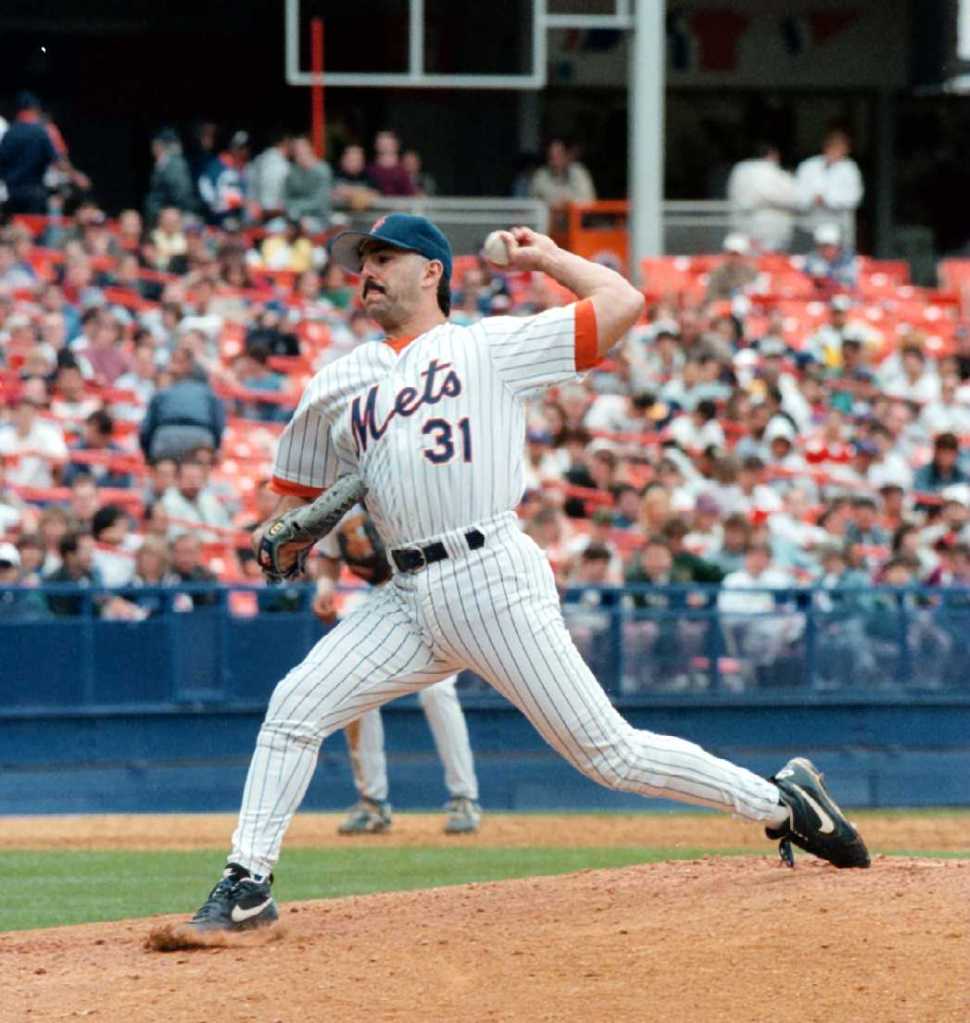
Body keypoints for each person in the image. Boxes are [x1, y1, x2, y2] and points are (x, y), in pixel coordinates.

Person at [186, 213, 869, 933]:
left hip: (490, 574)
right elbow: (286, 504)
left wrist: (547, 257)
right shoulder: (335, 384)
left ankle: (783, 802)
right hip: (406, 595)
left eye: (385, 256)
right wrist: (284, 542)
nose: (367, 270)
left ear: (432, 271)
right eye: (361, 259)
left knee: (609, 753)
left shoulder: (489, 347)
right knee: (295, 707)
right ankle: (247, 882)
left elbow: (622, 303)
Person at [314, 509, 481, 835]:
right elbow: (329, 555)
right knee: (355, 688)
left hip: (430, 592)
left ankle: (465, 797)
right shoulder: (340, 501)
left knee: (437, 690)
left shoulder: (404, 487)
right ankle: (372, 802)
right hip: (381, 599)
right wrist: (324, 589)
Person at [138, 345, 225, 462]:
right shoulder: (207, 392)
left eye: (178, 362)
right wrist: (214, 447)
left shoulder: (163, 393)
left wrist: (148, 456)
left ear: (189, 365)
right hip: (199, 437)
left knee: (167, 475)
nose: (174, 366)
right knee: (194, 476)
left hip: (168, 438)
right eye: (173, 361)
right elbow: (218, 425)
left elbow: (146, 429)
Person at [726, 143, 799, 252]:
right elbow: (792, 197)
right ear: (771, 155)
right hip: (769, 227)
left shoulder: (739, 169)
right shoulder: (768, 170)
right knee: (768, 261)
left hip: (741, 225)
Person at [795, 128, 864, 241]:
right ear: (826, 147)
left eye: (841, 148)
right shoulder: (808, 166)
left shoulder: (850, 169)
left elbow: (854, 197)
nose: (837, 151)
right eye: (834, 147)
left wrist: (826, 199)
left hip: (838, 227)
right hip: (809, 226)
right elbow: (798, 193)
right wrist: (812, 198)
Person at [0, 92, 59, 214]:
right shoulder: (40, 132)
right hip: (34, 192)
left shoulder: (10, 133)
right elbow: (56, 160)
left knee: (16, 228)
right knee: (35, 227)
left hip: (11, 192)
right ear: (35, 109)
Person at [144, 129, 197, 226]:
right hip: (161, 215)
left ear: (161, 145)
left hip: (172, 215)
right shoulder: (163, 163)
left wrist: (171, 210)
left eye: (156, 144)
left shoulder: (174, 164)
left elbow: (181, 193)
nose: (153, 147)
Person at [529, 138, 596, 213]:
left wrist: (568, 204)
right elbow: (532, 204)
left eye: (559, 154)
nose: (555, 160)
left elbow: (589, 203)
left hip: (576, 220)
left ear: (567, 155)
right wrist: (551, 206)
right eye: (551, 156)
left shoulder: (579, 173)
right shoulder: (540, 176)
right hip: (548, 220)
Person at [283, 135, 332, 227]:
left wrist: (296, 207)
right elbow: (286, 199)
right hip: (293, 217)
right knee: (275, 227)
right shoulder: (292, 172)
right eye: (296, 150)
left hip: (319, 218)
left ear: (310, 149)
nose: (299, 152)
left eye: (302, 148)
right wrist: (293, 211)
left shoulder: (322, 170)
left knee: (305, 227)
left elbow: (320, 202)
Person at [365, 130, 415, 197]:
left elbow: (410, 195)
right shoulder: (369, 169)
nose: (385, 146)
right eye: (381, 143)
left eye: (387, 143)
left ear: (395, 145)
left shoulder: (403, 171)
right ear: (376, 145)